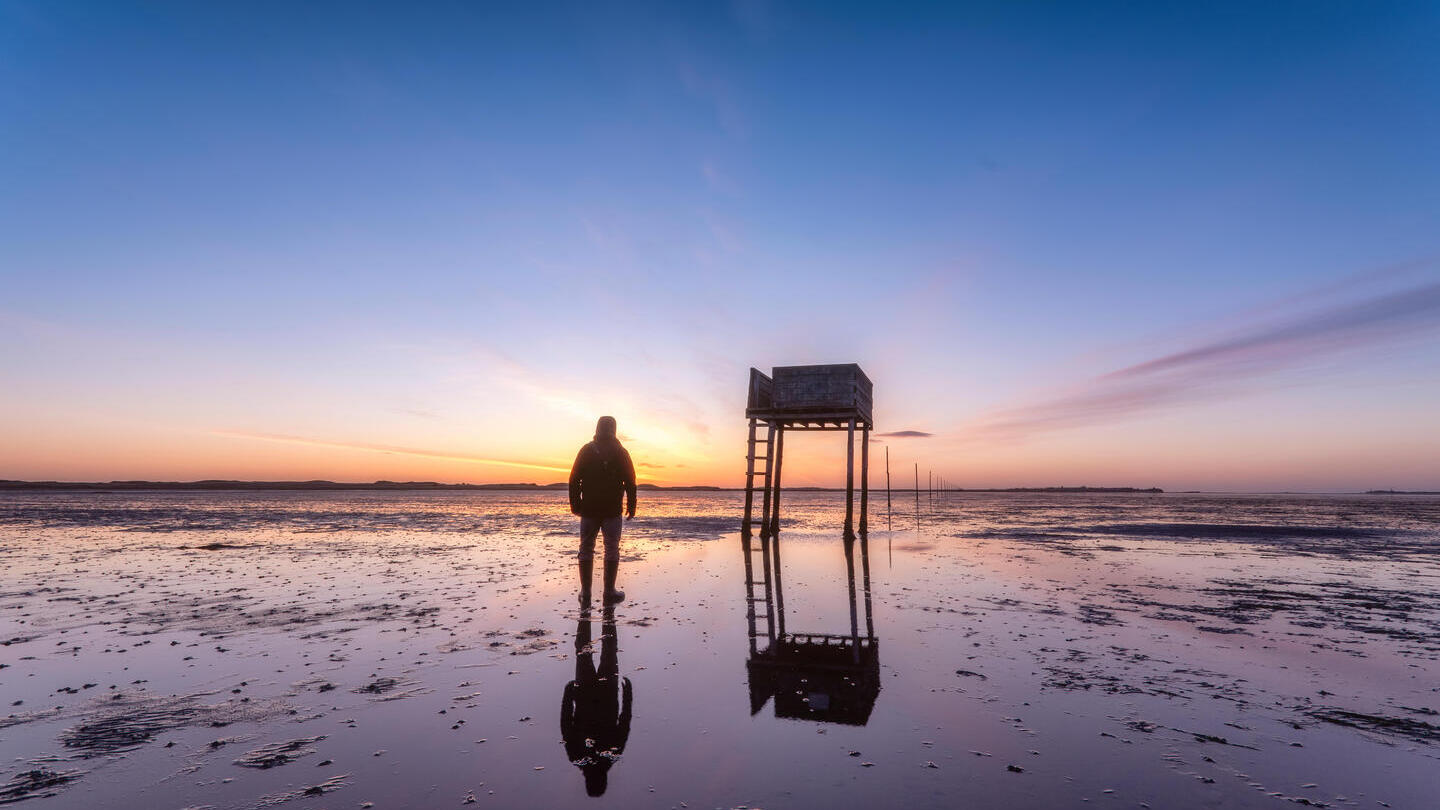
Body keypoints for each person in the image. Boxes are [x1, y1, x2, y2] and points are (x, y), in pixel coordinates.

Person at [560, 605, 632, 797]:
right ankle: (589, 605)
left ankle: (603, 607)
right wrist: (567, 695)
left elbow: (625, 722)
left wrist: (628, 695)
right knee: (588, 650)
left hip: (599, 694)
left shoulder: (609, 754)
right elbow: (566, 725)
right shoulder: (578, 757)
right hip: (590, 694)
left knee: (606, 648)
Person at [568, 415, 636, 605]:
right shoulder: (621, 452)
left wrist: (575, 505)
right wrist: (631, 505)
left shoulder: (586, 450)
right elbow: (631, 482)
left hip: (589, 509)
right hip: (612, 510)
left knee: (586, 548)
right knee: (611, 548)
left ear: (597, 428)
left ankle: (586, 593)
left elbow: (573, 480)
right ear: (614, 429)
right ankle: (608, 592)